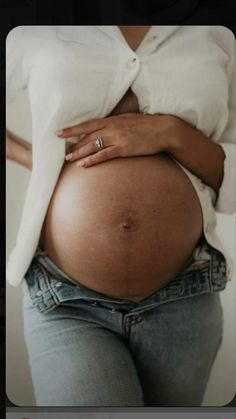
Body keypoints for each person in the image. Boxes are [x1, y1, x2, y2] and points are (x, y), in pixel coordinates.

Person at [6, 25, 236, 406]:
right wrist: (43, 163)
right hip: (67, 299)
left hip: (185, 296)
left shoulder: (217, 30)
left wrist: (171, 133)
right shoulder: (34, 26)